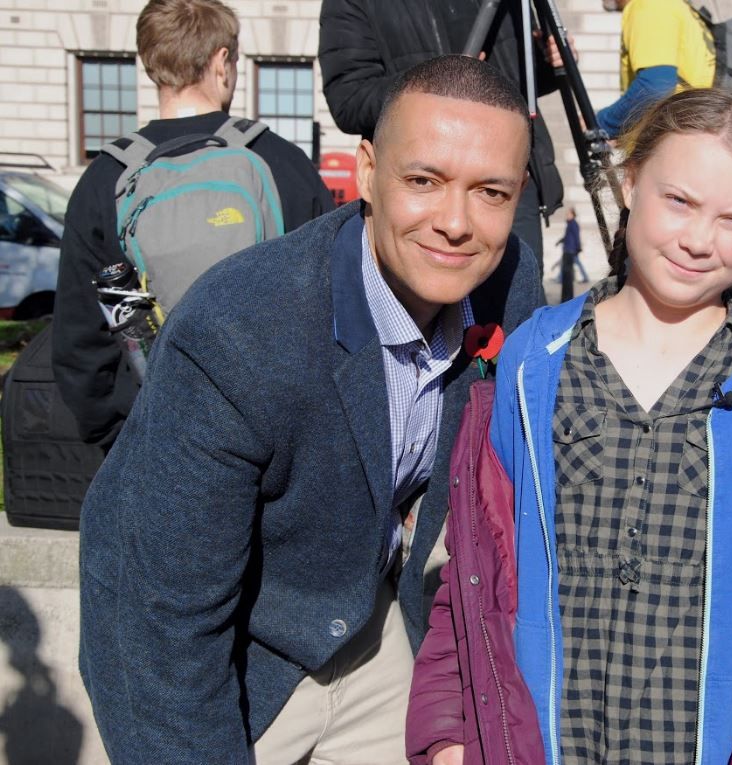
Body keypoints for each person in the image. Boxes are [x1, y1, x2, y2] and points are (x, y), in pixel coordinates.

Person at [77, 55, 544, 765]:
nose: (456, 221)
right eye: (424, 180)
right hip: (242, 654)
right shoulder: (240, 334)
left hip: (372, 623)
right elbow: (157, 623)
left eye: (490, 192)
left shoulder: (508, 285)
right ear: (366, 171)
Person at [406, 88, 732, 765]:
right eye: (680, 201)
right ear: (629, 182)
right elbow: (474, 575)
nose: (697, 238)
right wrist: (450, 738)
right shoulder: (532, 362)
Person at [52, 0, 334, 449]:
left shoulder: (107, 178)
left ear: (150, 63)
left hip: (157, 430)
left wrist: (115, 436)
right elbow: (331, 304)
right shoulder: (281, 162)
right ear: (222, 60)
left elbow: (84, 336)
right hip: (273, 430)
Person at [318, 0, 565, 272]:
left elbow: (521, 81)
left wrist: (549, 63)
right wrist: (441, 78)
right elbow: (349, 101)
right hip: (420, 182)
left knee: (517, 306)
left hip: (501, 185)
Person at [595, 0, 716, 138]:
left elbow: (655, 89)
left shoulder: (649, 6)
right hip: (690, 135)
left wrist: (600, 124)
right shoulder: (671, 5)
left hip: (674, 140)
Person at [554, 206, 588, 300]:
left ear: (573, 215)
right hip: (567, 250)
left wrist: (578, 248)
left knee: (568, 275)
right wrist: (560, 241)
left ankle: (567, 297)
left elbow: (576, 237)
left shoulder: (573, 224)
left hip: (570, 251)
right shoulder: (569, 224)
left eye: (568, 213)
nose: (566, 215)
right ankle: (565, 297)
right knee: (566, 275)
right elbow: (567, 237)